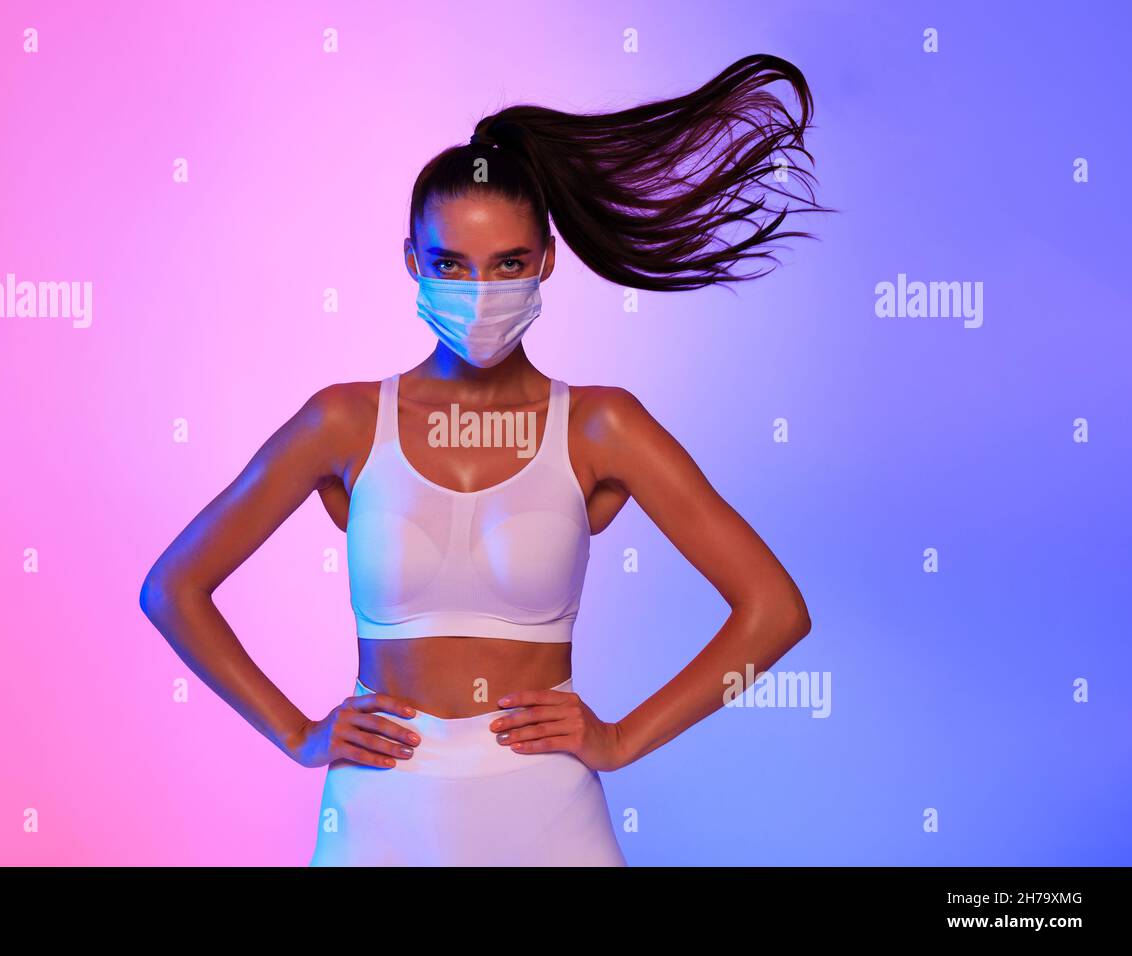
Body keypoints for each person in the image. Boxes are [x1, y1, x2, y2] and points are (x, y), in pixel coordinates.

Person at [140, 53, 827, 866]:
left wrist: (621, 739)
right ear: (412, 263)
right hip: (380, 811)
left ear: (544, 261)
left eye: (505, 264)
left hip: (547, 813)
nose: (480, 291)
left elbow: (774, 610)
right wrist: (296, 733)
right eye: (451, 266)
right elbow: (171, 588)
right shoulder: (345, 421)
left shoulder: (601, 426)